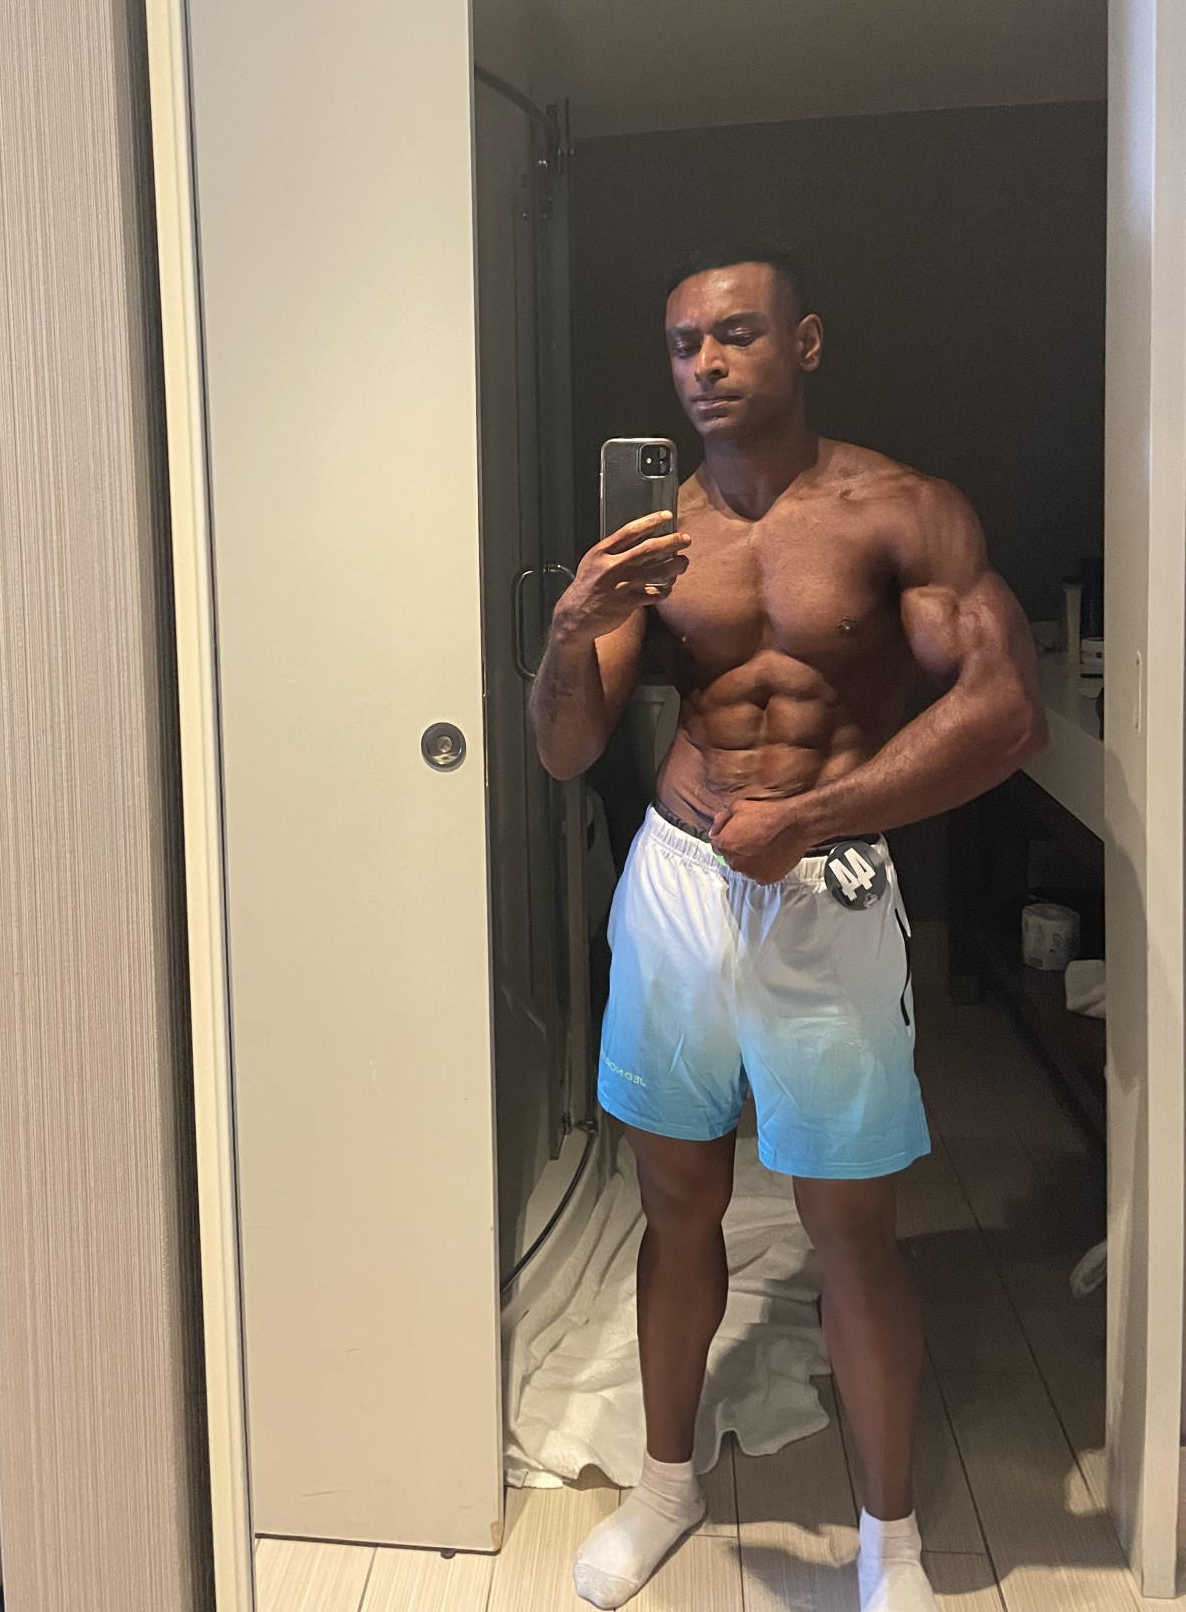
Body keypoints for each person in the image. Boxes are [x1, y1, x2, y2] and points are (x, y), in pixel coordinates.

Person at [529, 243, 1045, 1612]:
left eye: (736, 335)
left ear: (804, 344)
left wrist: (816, 814)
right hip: (678, 885)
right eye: (682, 345)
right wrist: (573, 629)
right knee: (675, 1202)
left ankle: (892, 1538)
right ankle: (665, 1485)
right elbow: (568, 750)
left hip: (828, 890)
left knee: (849, 1226)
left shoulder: (902, 512)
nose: (704, 365)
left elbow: (1005, 715)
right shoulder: (656, 541)